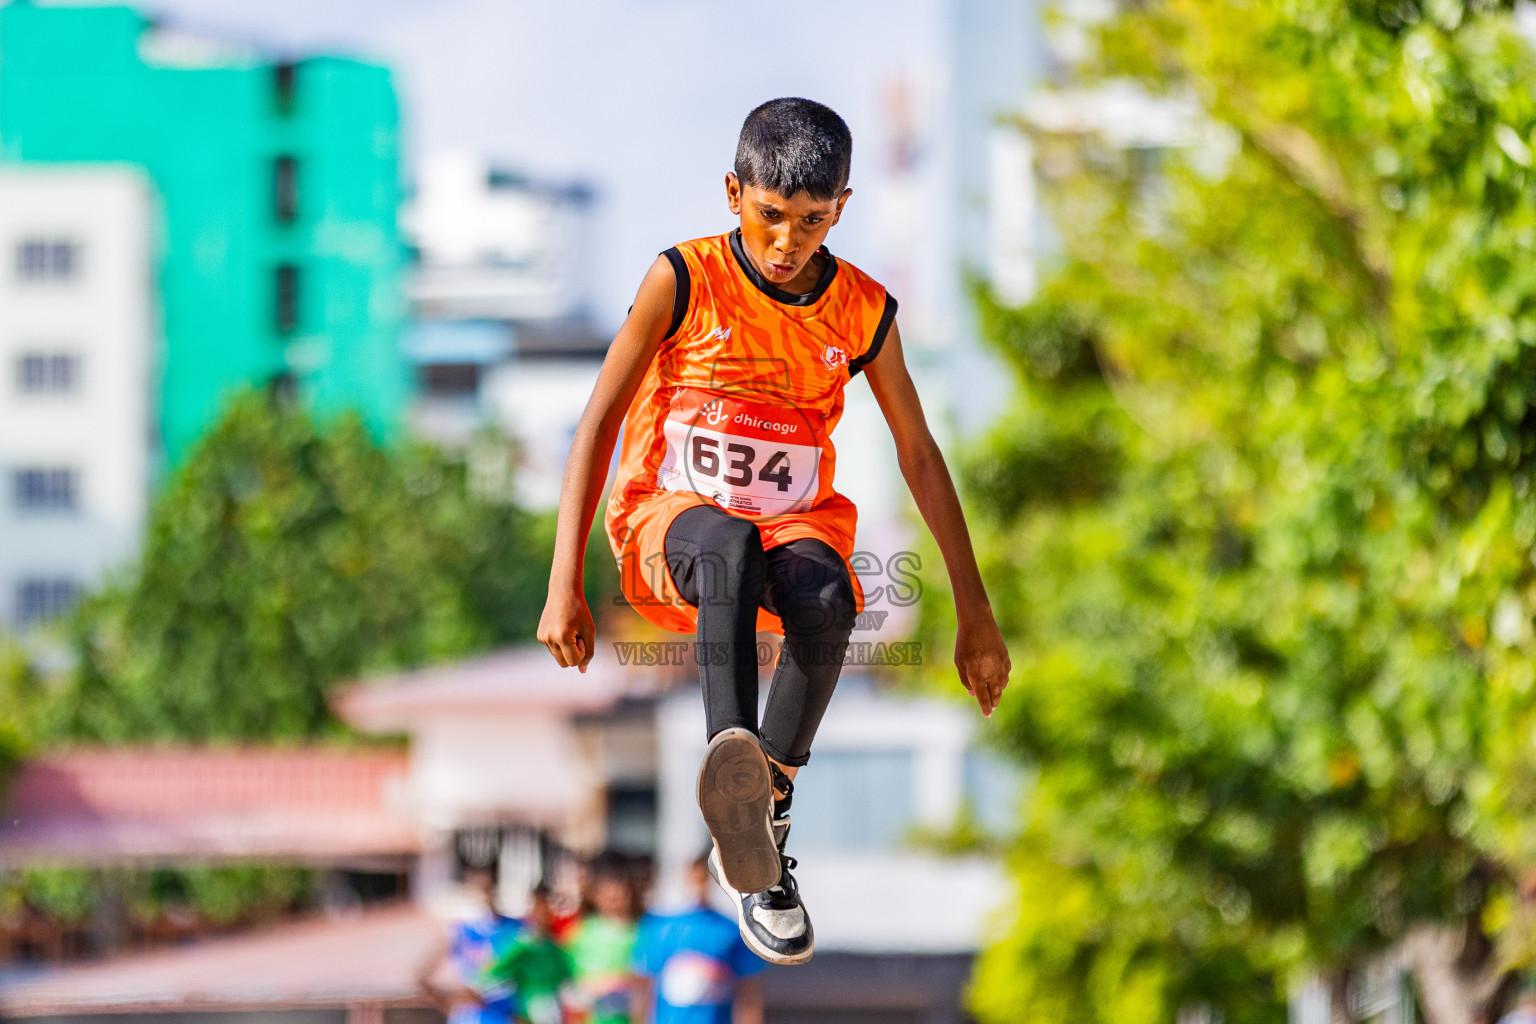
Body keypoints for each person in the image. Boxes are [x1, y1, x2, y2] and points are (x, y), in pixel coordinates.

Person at [537, 96, 1011, 965]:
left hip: (791, 522)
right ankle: (735, 774)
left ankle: (768, 799)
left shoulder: (864, 311)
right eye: (770, 218)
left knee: (831, 595)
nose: (788, 242)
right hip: (668, 518)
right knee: (725, 541)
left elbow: (919, 453)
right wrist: (564, 578)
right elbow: (600, 417)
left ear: (841, 209)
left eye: (811, 221)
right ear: (733, 194)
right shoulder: (683, 278)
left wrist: (976, 613)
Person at [631, 853, 765, 1024]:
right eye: (696, 879)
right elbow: (643, 986)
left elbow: (748, 993)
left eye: (706, 880)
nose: (700, 886)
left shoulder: (733, 930)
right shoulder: (661, 928)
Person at [418, 867, 521, 1024]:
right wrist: (449, 1000)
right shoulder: (462, 931)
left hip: (504, 1015)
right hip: (470, 1017)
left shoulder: (516, 928)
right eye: (481, 891)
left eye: (490, 890)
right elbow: (424, 977)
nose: (487, 896)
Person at [566, 857, 643, 1024]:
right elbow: (570, 982)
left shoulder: (641, 934)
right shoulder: (581, 934)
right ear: (597, 897)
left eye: (620, 895)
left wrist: (619, 982)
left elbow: (646, 981)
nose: (614, 901)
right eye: (608, 895)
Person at [481, 885, 573, 1024]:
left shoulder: (557, 949)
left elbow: (567, 982)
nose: (544, 914)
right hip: (527, 1016)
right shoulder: (521, 945)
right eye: (539, 908)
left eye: (548, 908)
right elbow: (490, 974)